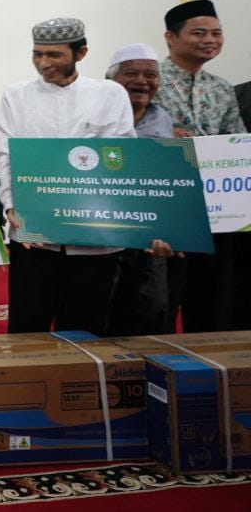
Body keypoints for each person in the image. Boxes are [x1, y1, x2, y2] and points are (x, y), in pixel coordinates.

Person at [0, 18, 134, 336]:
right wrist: (12, 206)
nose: (44, 63)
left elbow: (121, 158)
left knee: (85, 333)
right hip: (34, 237)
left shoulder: (109, 94)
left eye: (54, 55)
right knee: (27, 331)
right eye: (37, 54)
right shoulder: (16, 96)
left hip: (94, 239)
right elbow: (8, 156)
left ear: (80, 53)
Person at [156, 0, 249, 332]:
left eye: (216, 33)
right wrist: (161, 134)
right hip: (165, 206)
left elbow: (237, 140)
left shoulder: (221, 87)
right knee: (160, 300)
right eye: (198, 33)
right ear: (171, 37)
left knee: (213, 296)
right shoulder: (146, 78)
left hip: (217, 209)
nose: (210, 40)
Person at [102, 43, 178, 336]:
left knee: (151, 314)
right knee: (100, 316)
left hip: (149, 237)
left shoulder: (163, 120)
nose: (142, 81)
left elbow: (170, 182)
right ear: (111, 80)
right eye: (131, 73)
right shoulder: (95, 114)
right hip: (102, 235)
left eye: (151, 75)